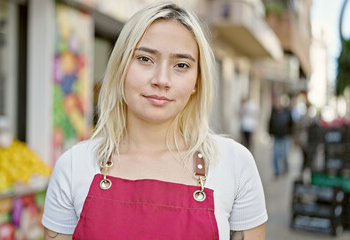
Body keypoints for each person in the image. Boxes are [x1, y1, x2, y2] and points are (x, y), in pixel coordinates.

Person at [42, 2, 267, 239]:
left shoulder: (234, 164)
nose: (162, 79)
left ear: (197, 82)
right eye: (145, 59)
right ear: (120, 68)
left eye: (181, 65)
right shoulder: (73, 166)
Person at [268, 95, 294, 177]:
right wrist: (270, 133)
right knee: (275, 156)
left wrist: (290, 133)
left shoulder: (287, 112)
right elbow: (270, 123)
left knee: (285, 154)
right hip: (276, 136)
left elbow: (291, 124)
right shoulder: (274, 112)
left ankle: (285, 169)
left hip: (284, 136)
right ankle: (277, 172)